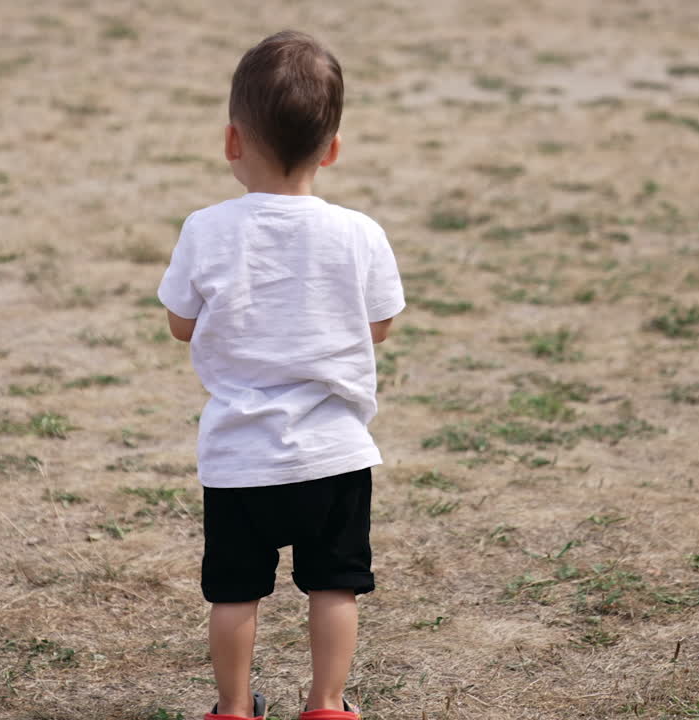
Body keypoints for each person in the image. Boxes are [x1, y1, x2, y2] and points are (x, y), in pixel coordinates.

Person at [157, 30, 405, 720]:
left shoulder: (206, 230)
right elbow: (379, 325)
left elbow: (180, 324)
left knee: (234, 592)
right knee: (335, 586)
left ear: (232, 141)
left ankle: (233, 707)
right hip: (334, 452)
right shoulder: (359, 234)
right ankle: (327, 704)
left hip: (239, 455)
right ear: (332, 151)